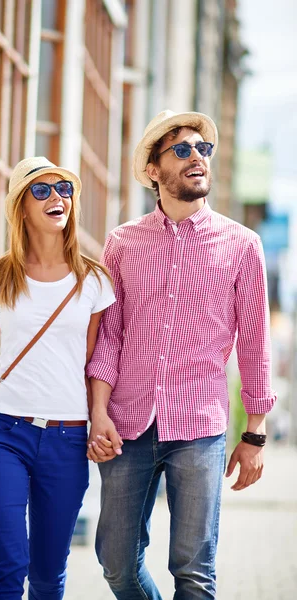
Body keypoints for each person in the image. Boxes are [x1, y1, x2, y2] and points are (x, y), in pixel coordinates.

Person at [86, 110, 277, 599]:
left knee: (194, 570)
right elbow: (110, 335)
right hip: (128, 423)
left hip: (200, 427)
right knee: (115, 563)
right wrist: (98, 411)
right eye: (183, 150)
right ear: (154, 170)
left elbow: (255, 343)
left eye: (203, 149)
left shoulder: (242, 245)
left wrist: (254, 434)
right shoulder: (123, 243)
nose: (198, 157)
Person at [0, 156, 115, 600]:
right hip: (2, 435)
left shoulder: (93, 280)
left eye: (64, 189)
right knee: (7, 567)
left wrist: (99, 418)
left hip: (67, 439)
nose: (58, 197)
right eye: (42, 190)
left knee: (49, 573)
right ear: (21, 207)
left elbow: (95, 362)